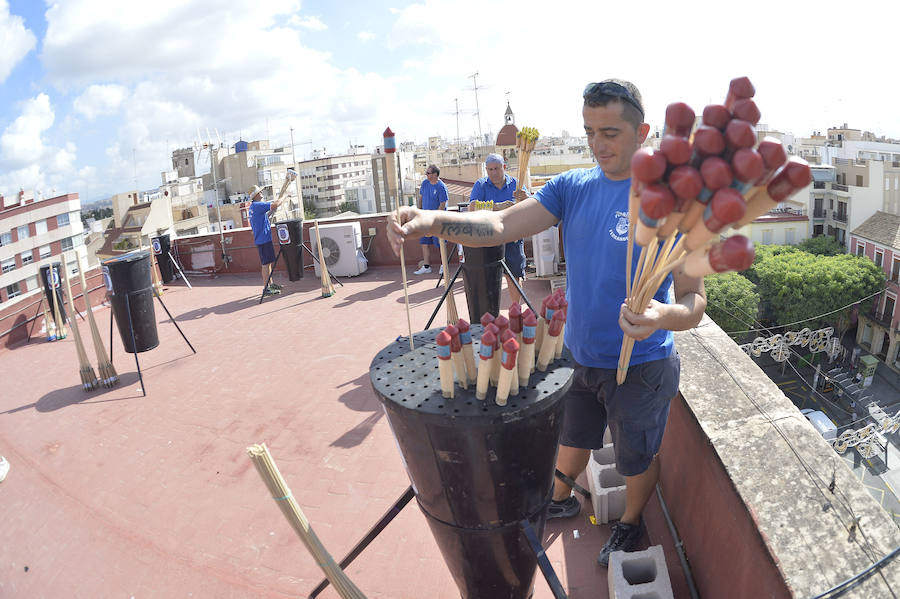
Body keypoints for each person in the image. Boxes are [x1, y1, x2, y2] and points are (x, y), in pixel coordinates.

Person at [387, 79, 706, 566]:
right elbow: (498, 225)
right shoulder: (572, 187)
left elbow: (695, 300)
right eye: (588, 131)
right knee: (572, 438)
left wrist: (663, 315)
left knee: (635, 458)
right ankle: (559, 498)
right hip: (579, 354)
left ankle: (628, 521)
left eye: (610, 133)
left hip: (642, 363)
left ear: (642, 132)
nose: (597, 144)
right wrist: (431, 220)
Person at [469, 153, 528, 305]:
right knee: (488, 279)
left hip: (512, 236)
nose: (493, 173)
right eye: (490, 169)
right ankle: (490, 316)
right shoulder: (481, 185)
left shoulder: (516, 183)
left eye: (496, 168)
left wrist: (526, 199)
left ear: (504, 167)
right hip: (489, 238)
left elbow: (531, 206)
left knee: (514, 276)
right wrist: (497, 207)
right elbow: (472, 207)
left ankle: (516, 311)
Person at [247, 184, 283, 296]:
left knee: (268, 263)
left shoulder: (254, 207)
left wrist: (272, 210)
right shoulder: (257, 205)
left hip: (263, 238)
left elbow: (265, 216)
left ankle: (270, 284)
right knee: (265, 264)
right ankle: (266, 288)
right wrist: (285, 196)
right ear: (256, 195)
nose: (262, 194)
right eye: (260, 192)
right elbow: (275, 204)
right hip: (263, 239)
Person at [415, 164, 449, 275]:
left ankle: (444, 265)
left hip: (437, 220)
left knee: (440, 243)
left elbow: (442, 204)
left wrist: (436, 218)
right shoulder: (425, 183)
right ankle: (426, 266)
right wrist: (418, 212)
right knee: (424, 243)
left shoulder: (441, 187)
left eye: (428, 173)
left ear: (435, 174)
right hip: (425, 219)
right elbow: (421, 198)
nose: (426, 175)